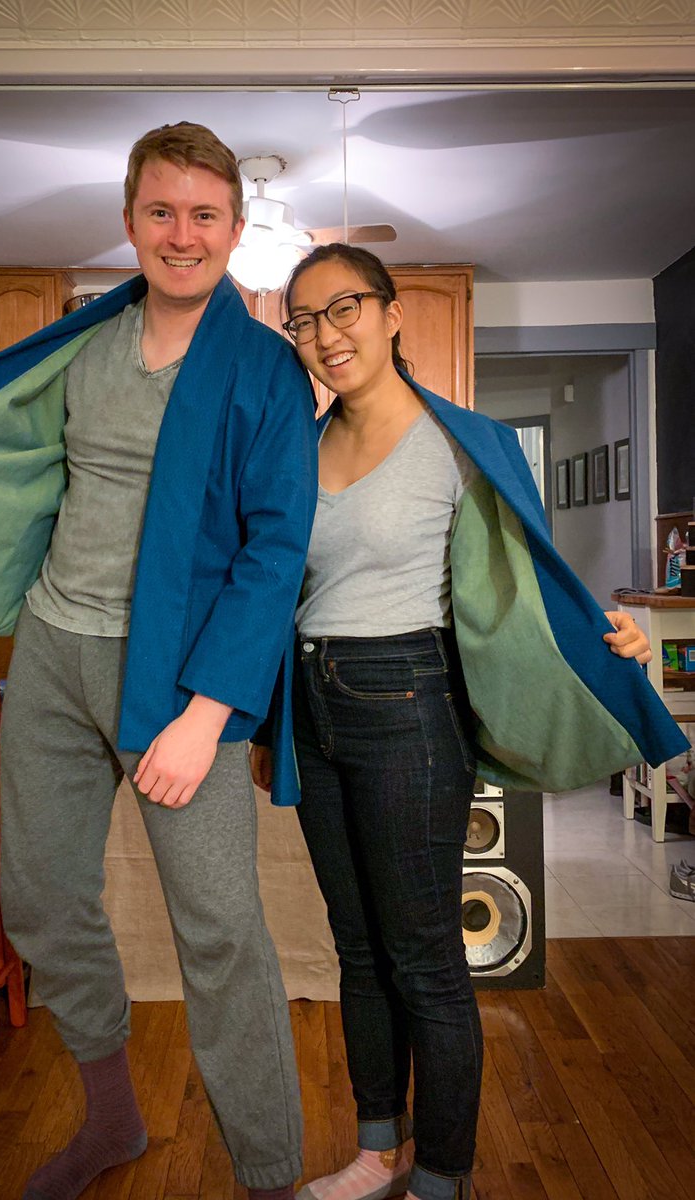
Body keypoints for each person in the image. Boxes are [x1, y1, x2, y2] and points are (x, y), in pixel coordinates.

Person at [0, 123, 318, 1200]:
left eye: (205, 215)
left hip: (178, 679)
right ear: (130, 221)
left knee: (221, 931)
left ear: (236, 229)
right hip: (51, 652)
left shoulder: (267, 371)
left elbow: (275, 552)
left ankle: (270, 1177)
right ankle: (112, 1121)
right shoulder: (84, 340)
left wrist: (207, 715)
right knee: (40, 900)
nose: (182, 235)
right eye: (161, 211)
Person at [249, 243, 683, 1200]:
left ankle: (441, 1176)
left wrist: (610, 636)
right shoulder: (296, 449)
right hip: (312, 706)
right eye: (305, 320)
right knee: (356, 948)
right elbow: (268, 585)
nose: (325, 335)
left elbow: (531, 574)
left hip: (408, 703)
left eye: (344, 307)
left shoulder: (461, 443)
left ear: (392, 313)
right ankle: (378, 1150)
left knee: (425, 960)